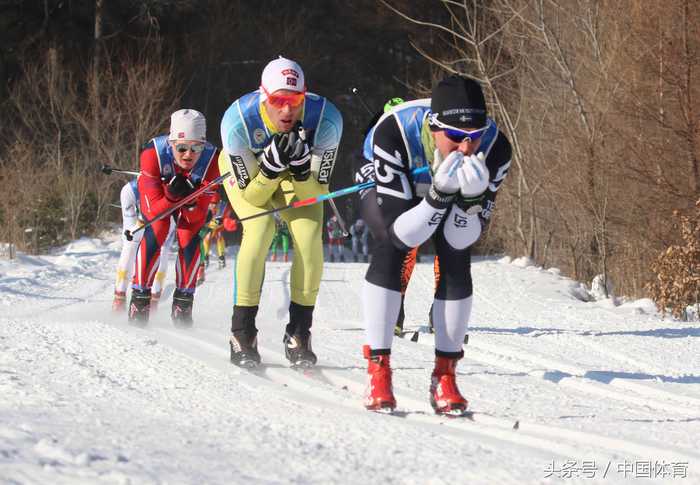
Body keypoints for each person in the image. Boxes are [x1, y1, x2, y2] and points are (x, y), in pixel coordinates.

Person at [356, 75, 512, 414]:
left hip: (439, 187)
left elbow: (461, 238)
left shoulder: (496, 147)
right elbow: (403, 234)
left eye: (475, 137)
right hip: (397, 174)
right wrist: (438, 196)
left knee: (456, 257)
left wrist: (470, 202)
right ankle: (378, 370)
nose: (467, 148)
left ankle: (445, 375)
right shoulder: (393, 131)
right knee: (389, 246)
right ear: (433, 127)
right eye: (456, 137)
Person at [219, 56, 343, 368]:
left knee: (309, 235)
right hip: (251, 176)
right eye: (278, 101)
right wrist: (270, 169)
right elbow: (255, 197)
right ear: (264, 97)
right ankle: (242, 333)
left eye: (295, 101)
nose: (287, 111)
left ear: (305, 96)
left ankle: (299, 333)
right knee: (261, 230)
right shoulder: (237, 122)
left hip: (295, 178)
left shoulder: (327, 120)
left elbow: (316, 193)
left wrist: (301, 171)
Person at [129, 109, 221, 327]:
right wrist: (171, 196)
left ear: (204, 146)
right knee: (157, 230)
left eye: (196, 147)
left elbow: (198, 216)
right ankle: (139, 300)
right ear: (171, 144)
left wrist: (190, 203)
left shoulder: (213, 160)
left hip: (192, 196)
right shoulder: (153, 154)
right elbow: (153, 212)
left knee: (189, 236)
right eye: (181, 148)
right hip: (160, 193)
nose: (188, 155)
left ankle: (183, 304)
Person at [112, 179, 176, 312]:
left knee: (161, 247)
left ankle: (153, 299)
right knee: (131, 242)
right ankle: (119, 296)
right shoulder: (131, 191)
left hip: (171, 199)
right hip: (133, 194)